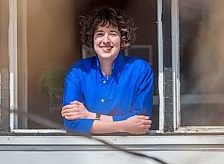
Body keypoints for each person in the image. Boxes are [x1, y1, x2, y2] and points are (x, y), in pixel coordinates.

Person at [61, 7, 154, 135]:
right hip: (86, 151)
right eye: (100, 34)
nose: (106, 40)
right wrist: (124, 126)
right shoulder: (78, 72)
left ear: (122, 38)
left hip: (131, 149)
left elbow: (141, 123)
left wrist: (90, 115)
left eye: (113, 33)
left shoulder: (140, 70)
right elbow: (72, 124)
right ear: (92, 38)